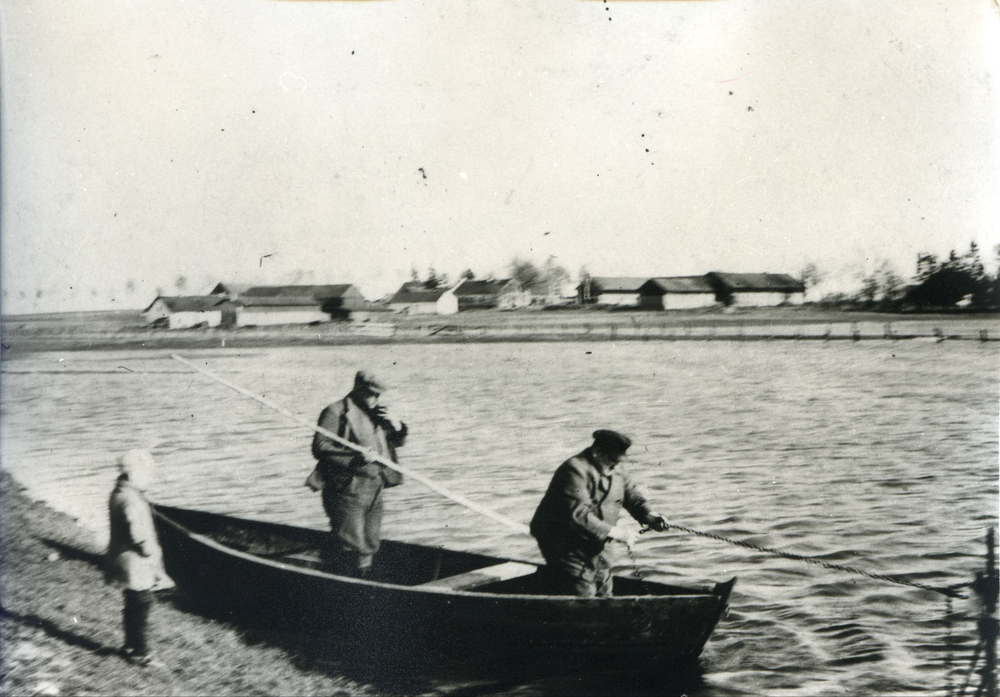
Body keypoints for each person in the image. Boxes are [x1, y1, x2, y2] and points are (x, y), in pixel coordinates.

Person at [530, 429, 669, 598]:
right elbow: (579, 514)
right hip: (564, 543)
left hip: (597, 544)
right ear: (597, 453)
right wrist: (619, 533)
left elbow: (633, 496)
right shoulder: (574, 469)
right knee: (583, 593)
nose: (616, 467)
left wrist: (651, 516)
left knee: (604, 589)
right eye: (612, 462)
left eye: (618, 462)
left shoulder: (615, 467)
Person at [309, 370, 408, 577]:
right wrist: (356, 458)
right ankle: (345, 584)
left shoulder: (379, 413)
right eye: (372, 394)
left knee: (371, 540)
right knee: (350, 542)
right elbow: (320, 446)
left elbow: (395, 442)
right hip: (347, 489)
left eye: (379, 395)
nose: (376, 399)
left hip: (375, 487)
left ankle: (363, 579)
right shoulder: (335, 411)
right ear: (358, 389)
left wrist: (399, 427)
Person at [105, 449, 173, 666]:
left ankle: (129, 646)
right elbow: (138, 535)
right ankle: (141, 653)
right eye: (147, 472)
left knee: (133, 604)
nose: (150, 477)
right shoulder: (132, 499)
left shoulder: (119, 492)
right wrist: (151, 553)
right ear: (135, 473)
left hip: (122, 559)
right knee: (142, 605)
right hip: (135, 563)